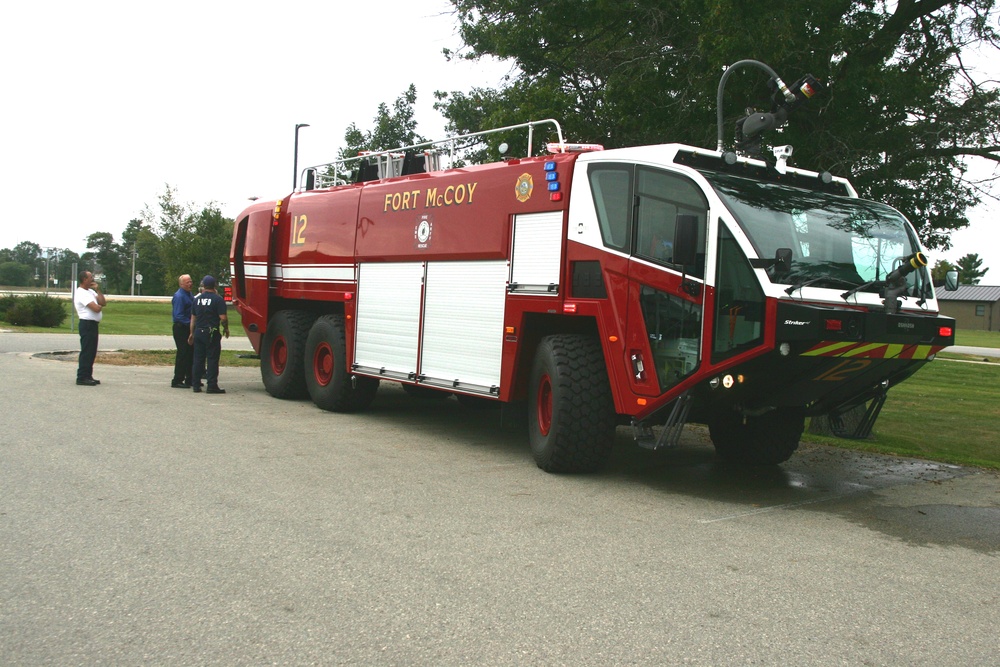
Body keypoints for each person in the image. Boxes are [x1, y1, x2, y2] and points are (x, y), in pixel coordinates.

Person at [189, 275, 229, 394]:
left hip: (199, 331)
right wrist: (226, 329)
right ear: (215, 285)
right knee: (212, 359)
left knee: (198, 359)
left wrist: (191, 333)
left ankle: (196, 384)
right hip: (212, 332)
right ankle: (212, 385)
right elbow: (223, 318)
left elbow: (193, 318)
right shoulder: (218, 300)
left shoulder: (197, 299)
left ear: (203, 285)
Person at [74, 270, 106, 386]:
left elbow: (103, 302)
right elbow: (96, 308)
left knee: (92, 352)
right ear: (84, 279)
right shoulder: (81, 293)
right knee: (87, 351)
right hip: (86, 324)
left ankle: (88, 375)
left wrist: (98, 290)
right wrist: (99, 306)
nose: (92, 279)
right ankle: (82, 377)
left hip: (93, 324)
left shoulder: (91, 292)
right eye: (90, 277)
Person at [170, 274, 195, 388]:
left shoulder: (190, 294)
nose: (190, 284)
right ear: (181, 284)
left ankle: (190, 378)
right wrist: (190, 324)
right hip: (181, 328)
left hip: (189, 327)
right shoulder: (179, 296)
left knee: (191, 354)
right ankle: (177, 380)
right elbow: (178, 315)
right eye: (187, 282)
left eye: (190, 281)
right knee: (183, 353)